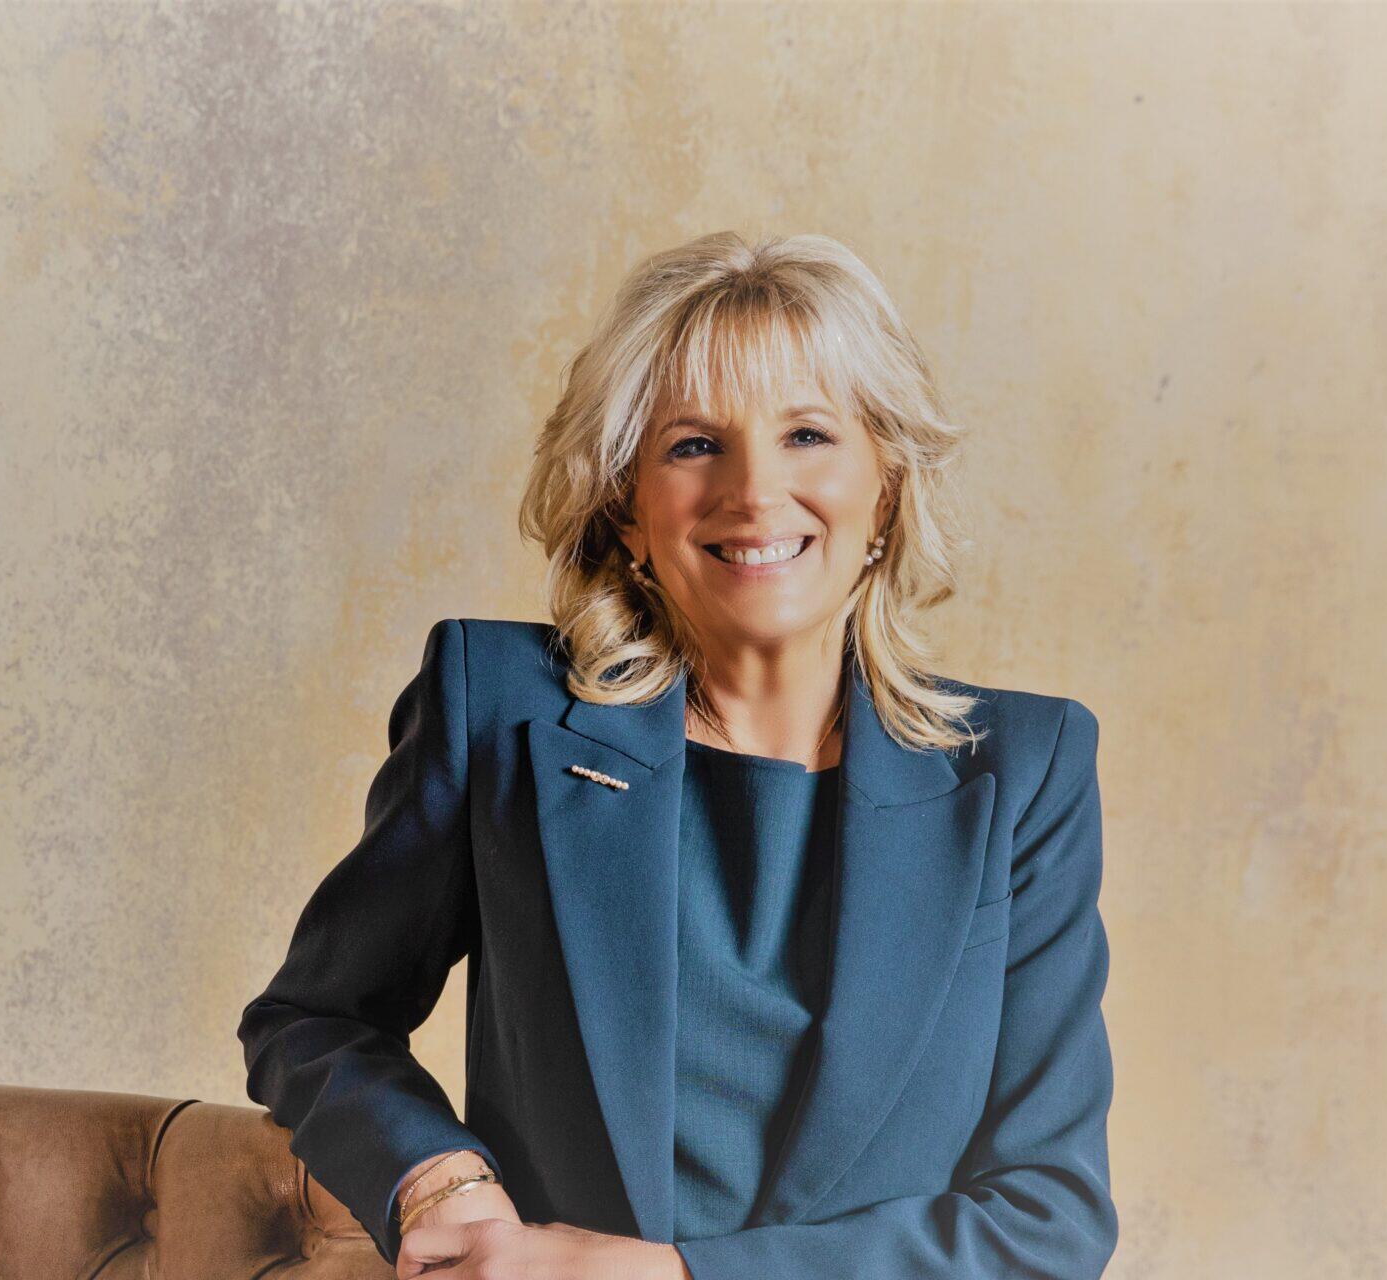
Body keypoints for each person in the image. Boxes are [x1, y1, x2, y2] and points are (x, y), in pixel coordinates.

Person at [237, 231, 1116, 1279]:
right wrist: (442, 1178)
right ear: (627, 507)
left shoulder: (1023, 771)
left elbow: (1049, 1218)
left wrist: (661, 1275)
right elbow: (312, 1019)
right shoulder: (496, 710)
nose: (755, 491)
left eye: (806, 434)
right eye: (695, 444)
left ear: (884, 487)